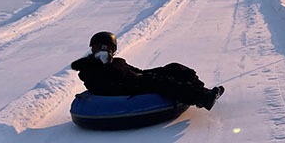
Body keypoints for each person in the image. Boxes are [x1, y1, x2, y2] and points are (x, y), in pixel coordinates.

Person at [71, 32, 225, 110]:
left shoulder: (115, 61)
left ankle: (201, 91)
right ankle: (202, 98)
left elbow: (135, 71)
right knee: (164, 83)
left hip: (135, 79)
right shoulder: (89, 68)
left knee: (173, 68)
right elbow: (105, 84)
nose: (105, 51)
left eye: (108, 48)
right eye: (100, 47)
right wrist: (104, 64)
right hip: (126, 88)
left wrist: (148, 73)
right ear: (94, 49)